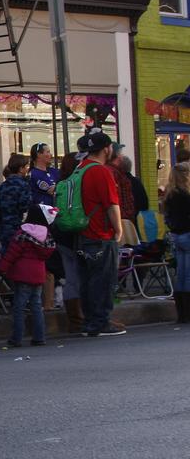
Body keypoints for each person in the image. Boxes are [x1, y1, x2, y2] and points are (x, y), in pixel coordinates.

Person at [74, 131, 125, 337]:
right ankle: (100, 322)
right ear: (106, 149)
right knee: (103, 280)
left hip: (80, 234)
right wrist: (119, 229)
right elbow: (112, 205)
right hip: (100, 234)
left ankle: (89, 322)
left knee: (87, 281)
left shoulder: (79, 169)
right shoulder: (101, 171)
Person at [0, 205, 57, 347]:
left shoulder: (23, 233)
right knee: (36, 305)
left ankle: (16, 338)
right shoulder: (46, 235)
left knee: (19, 307)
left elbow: (11, 254)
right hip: (38, 275)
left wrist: (0, 270)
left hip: (22, 275)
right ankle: (39, 337)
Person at [54, 152, 84, 332]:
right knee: (82, 277)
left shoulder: (60, 185)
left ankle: (74, 319)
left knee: (70, 278)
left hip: (62, 234)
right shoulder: (78, 183)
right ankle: (83, 316)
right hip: (78, 233)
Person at [162, 162, 190, 323]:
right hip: (187, 233)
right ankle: (187, 313)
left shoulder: (170, 194)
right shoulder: (186, 195)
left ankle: (182, 313)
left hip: (176, 235)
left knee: (181, 274)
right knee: (188, 275)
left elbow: (167, 217)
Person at [0, 154, 31, 250]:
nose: (27, 169)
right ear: (21, 169)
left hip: (2, 227)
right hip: (17, 226)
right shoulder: (23, 185)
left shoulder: (3, 186)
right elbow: (25, 207)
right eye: (26, 166)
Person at [107, 143, 137, 223]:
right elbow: (117, 199)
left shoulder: (117, 172)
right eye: (120, 153)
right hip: (121, 220)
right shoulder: (114, 173)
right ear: (117, 155)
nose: (122, 155)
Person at [28, 142, 59, 207]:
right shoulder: (33, 174)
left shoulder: (53, 171)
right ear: (39, 155)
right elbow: (51, 190)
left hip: (56, 211)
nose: (51, 154)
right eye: (48, 152)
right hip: (42, 213)